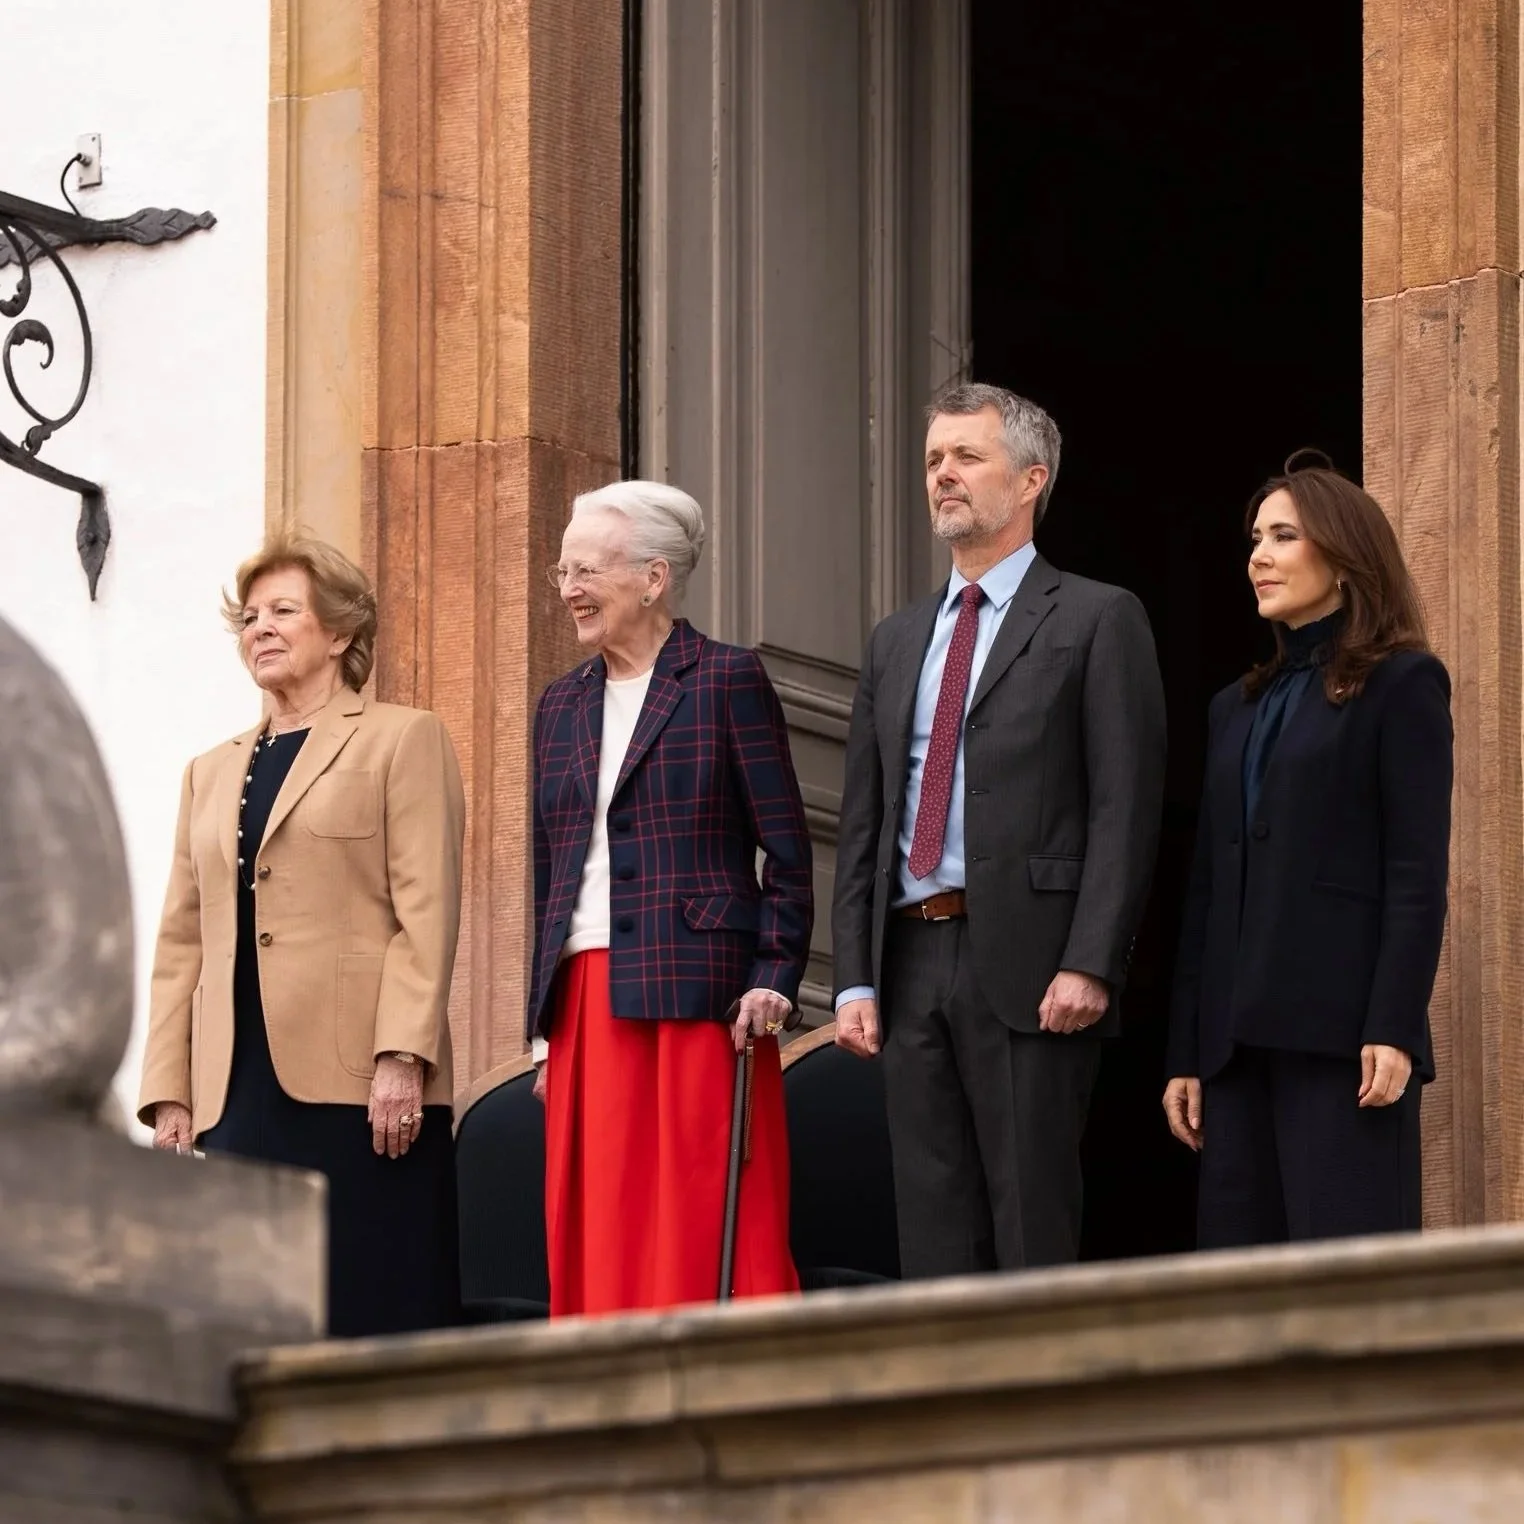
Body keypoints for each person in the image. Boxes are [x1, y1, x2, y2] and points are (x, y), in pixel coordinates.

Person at [832, 382, 1167, 1277]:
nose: (943, 474)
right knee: (931, 1219)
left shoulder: (1098, 617)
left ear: (1030, 480)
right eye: (934, 459)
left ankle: (1042, 1411)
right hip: (908, 961)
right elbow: (866, 817)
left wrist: (1093, 959)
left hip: (1030, 960)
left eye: (966, 457)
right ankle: (947, 1414)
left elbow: (1124, 805)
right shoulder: (896, 640)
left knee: (1030, 1214)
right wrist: (853, 979)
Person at [137, 531, 466, 1337]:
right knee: (253, 1320)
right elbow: (182, 938)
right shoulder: (207, 771)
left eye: (285, 611)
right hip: (236, 1090)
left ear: (341, 633)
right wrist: (170, 1089)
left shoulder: (401, 736)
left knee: (367, 1307)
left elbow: (427, 908)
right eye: (250, 617)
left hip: (361, 1086)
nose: (262, 629)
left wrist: (403, 1055)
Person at [529, 480, 813, 1317]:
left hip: (703, 995)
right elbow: (551, 874)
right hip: (586, 1001)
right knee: (600, 1216)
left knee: (703, 1217)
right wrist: (544, 1030)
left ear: (654, 577)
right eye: (562, 570)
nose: (570, 587)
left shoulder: (726, 679)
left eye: (589, 569)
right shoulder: (560, 705)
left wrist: (776, 976)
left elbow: (788, 851)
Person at [1164, 451, 1452, 1246]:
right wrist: (1188, 1051)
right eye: (1255, 538)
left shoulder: (1404, 684)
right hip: (1234, 1046)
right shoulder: (1234, 707)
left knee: (1352, 1285)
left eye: (1283, 536)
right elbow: (1207, 891)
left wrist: (1393, 1025)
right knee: (1241, 1296)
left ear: (1345, 556)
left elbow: (1416, 876)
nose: (1258, 555)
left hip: (1343, 1043)